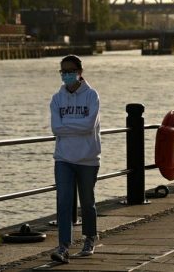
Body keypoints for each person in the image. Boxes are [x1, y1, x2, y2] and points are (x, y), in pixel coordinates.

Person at [49, 55, 101, 264]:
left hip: (88, 158)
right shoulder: (56, 99)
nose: (66, 75)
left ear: (80, 72)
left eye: (70, 70)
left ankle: (89, 238)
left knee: (87, 201)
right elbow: (55, 128)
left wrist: (67, 125)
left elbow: (89, 125)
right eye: (63, 71)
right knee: (63, 202)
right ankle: (63, 247)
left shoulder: (92, 96)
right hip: (63, 158)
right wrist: (75, 126)